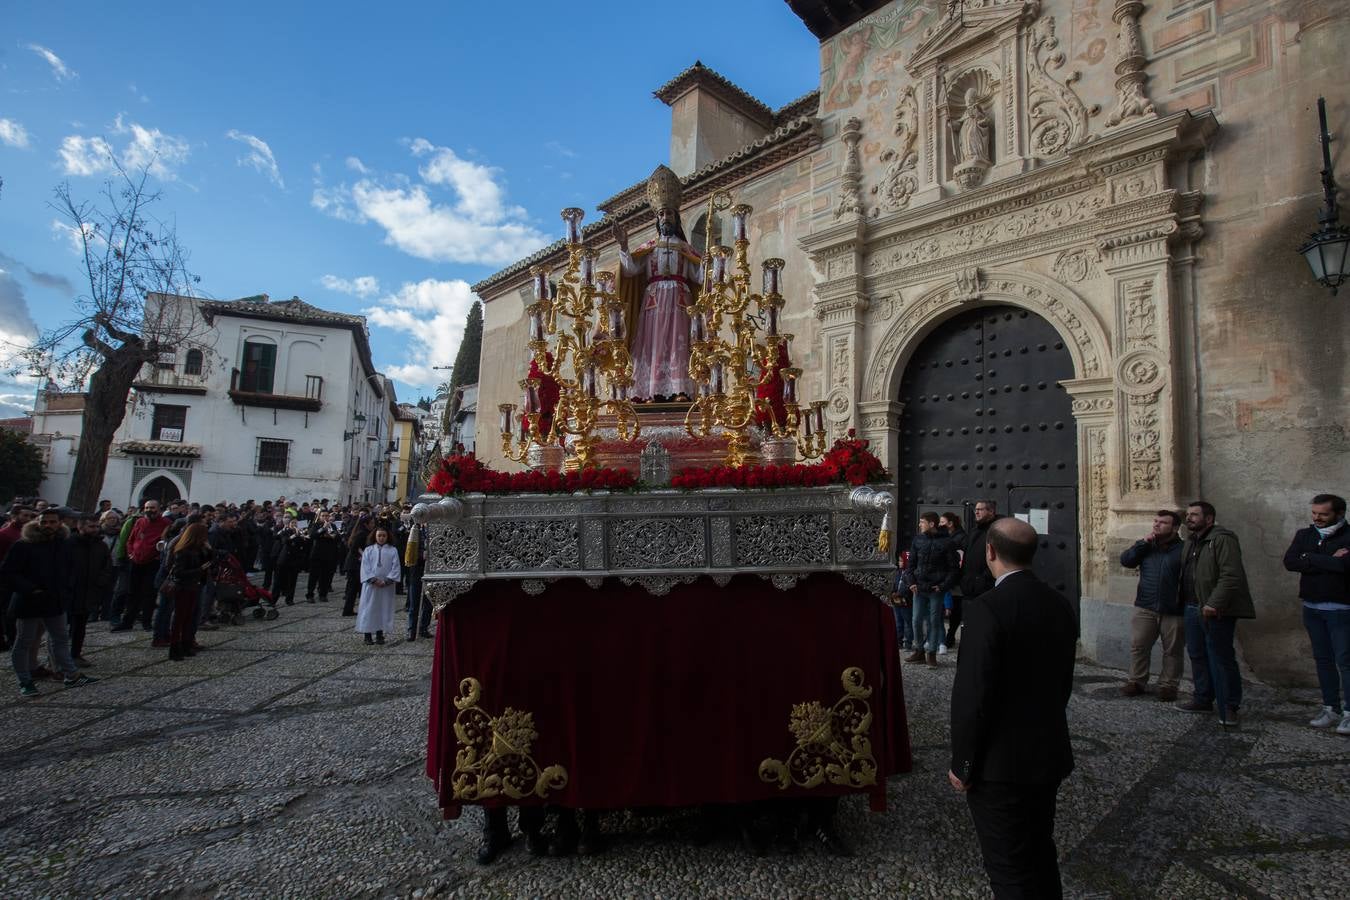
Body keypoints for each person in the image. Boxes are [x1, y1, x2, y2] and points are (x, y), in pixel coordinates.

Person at [949, 518, 1077, 899]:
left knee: (1008, 867)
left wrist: (963, 764)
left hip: (999, 765)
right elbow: (1063, 684)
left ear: (989, 552)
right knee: (1040, 852)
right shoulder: (1059, 603)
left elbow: (973, 696)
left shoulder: (988, 609)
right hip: (1047, 753)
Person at [611, 164, 702, 402]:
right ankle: (649, 391)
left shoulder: (685, 249)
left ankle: (680, 389)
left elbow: (700, 277)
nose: (665, 218)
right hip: (653, 302)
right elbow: (630, 270)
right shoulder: (649, 248)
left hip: (681, 301)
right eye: (661, 214)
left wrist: (710, 261)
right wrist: (623, 246)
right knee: (653, 344)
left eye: (669, 214)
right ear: (657, 219)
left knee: (678, 343)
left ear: (676, 217)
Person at [1, 508, 99, 697]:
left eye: (52, 522)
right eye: (44, 522)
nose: (48, 525)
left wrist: (66, 590)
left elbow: (70, 569)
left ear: (59, 523)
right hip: (29, 602)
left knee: (60, 639)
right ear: (38, 522)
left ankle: (71, 675)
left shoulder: (63, 544)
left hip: (55, 601)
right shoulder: (23, 545)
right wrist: (31, 589)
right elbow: (8, 572)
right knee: (24, 641)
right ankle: (25, 680)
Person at [1176, 501, 1255, 727]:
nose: (1189, 518)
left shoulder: (1222, 539)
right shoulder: (1191, 541)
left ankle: (1229, 705)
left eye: (1194, 515)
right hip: (1192, 606)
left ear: (1209, 519)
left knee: (1220, 657)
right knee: (1197, 654)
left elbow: (1231, 575)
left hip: (1214, 609)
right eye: (1188, 514)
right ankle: (1203, 697)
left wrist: (1214, 603)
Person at [1283, 493, 1350, 734]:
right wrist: (1325, 560)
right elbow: (1290, 562)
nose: (1317, 518)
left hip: (1341, 610)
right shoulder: (1305, 534)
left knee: (1345, 661)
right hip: (1312, 607)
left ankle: (1349, 712)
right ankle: (1330, 707)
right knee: (1323, 660)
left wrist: (1309, 558)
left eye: (1323, 514)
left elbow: (1345, 566)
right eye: (1314, 513)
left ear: (1339, 514)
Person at [1119, 510, 1186, 701]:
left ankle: (1168, 685)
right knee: (1139, 646)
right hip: (1145, 606)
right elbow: (1126, 560)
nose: (1156, 525)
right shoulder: (1147, 546)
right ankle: (1137, 681)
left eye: (1163, 523)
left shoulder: (1184, 549)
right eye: (1155, 521)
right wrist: (1143, 543)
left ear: (1175, 528)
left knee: (1172, 650)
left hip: (1173, 608)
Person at [902, 512, 960, 668]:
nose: (920, 525)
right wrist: (911, 583)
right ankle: (919, 651)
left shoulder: (947, 542)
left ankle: (931, 654)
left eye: (922, 522)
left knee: (934, 621)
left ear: (932, 524)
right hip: (918, 588)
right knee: (916, 620)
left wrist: (942, 586)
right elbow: (910, 565)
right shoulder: (918, 540)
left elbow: (954, 569)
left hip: (936, 589)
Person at [113, 500, 171, 632]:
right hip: (136, 562)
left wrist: (158, 555)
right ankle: (128, 621)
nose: (150, 510)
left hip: (153, 563)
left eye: (152, 508)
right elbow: (131, 540)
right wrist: (131, 554)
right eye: (147, 508)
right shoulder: (140, 522)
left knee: (149, 594)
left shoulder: (166, 523)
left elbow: (166, 542)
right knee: (132, 592)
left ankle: (147, 621)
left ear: (159, 509)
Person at [67, 513, 113, 666]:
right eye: (91, 526)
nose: (95, 529)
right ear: (80, 527)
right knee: (64, 626)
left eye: (96, 526)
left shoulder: (100, 545)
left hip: (89, 590)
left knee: (80, 626)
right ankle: (59, 657)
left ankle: (75, 654)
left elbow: (106, 566)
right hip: (71, 590)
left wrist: (101, 581)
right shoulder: (69, 544)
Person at [956, 500, 1002, 647]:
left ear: (991, 512)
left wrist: (982, 579)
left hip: (986, 587)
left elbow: (997, 557)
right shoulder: (975, 531)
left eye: (980, 509)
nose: (976, 512)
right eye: (975, 509)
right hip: (969, 588)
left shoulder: (996, 530)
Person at [165, 523, 213, 661]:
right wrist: (199, 570)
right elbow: (179, 572)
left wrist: (209, 550)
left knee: (188, 617)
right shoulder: (183, 551)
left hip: (194, 586)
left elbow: (210, 560)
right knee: (180, 618)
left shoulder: (198, 549)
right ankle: (175, 647)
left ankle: (186, 644)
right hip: (184, 587)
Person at [356, 527, 400, 645]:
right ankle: (367, 635)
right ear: (375, 536)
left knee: (383, 609)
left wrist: (386, 581)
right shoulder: (368, 550)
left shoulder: (393, 550)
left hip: (386, 587)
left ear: (387, 536)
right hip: (371, 586)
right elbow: (365, 567)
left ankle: (380, 634)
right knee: (369, 609)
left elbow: (395, 567)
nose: (381, 538)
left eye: (383, 535)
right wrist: (373, 580)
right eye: (379, 535)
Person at [941, 511, 966, 649]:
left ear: (950, 524)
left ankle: (949, 636)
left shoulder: (960, 539)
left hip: (955, 579)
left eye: (942, 522)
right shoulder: (949, 537)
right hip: (948, 578)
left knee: (955, 610)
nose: (940, 525)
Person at [273, 515, 311, 606]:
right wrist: (295, 535)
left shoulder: (300, 533)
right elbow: (285, 541)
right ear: (289, 524)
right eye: (292, 523)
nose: (294, 525)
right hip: (284, 559)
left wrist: (303, 537)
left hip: (295, 560)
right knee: (278, 581)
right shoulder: (285, 532)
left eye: (296, 523)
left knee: (292, 581)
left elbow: (305, 545)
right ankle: (273, 599)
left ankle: (289, 599)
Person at [403, 519, 431, 640]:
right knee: (414, 602)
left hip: (430, 570)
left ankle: (424, 627)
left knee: (428, 602)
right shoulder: (415, 531)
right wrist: (421, 555)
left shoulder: (434, 531)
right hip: (417, 570)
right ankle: (411, 629)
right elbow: (410, 550)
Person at [306, 511, 343, 603]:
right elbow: (312, 535)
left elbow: (338, 537)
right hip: (317, 554)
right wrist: (323, 529)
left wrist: (332, 536)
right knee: (313, 576)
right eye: (323, 516)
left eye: (327, 516)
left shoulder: (333, 526)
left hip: (329, 555)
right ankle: (310, 595)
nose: (325, 517)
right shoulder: (316, 525)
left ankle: (323, 594)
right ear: (320, 517)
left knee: (326, 576)